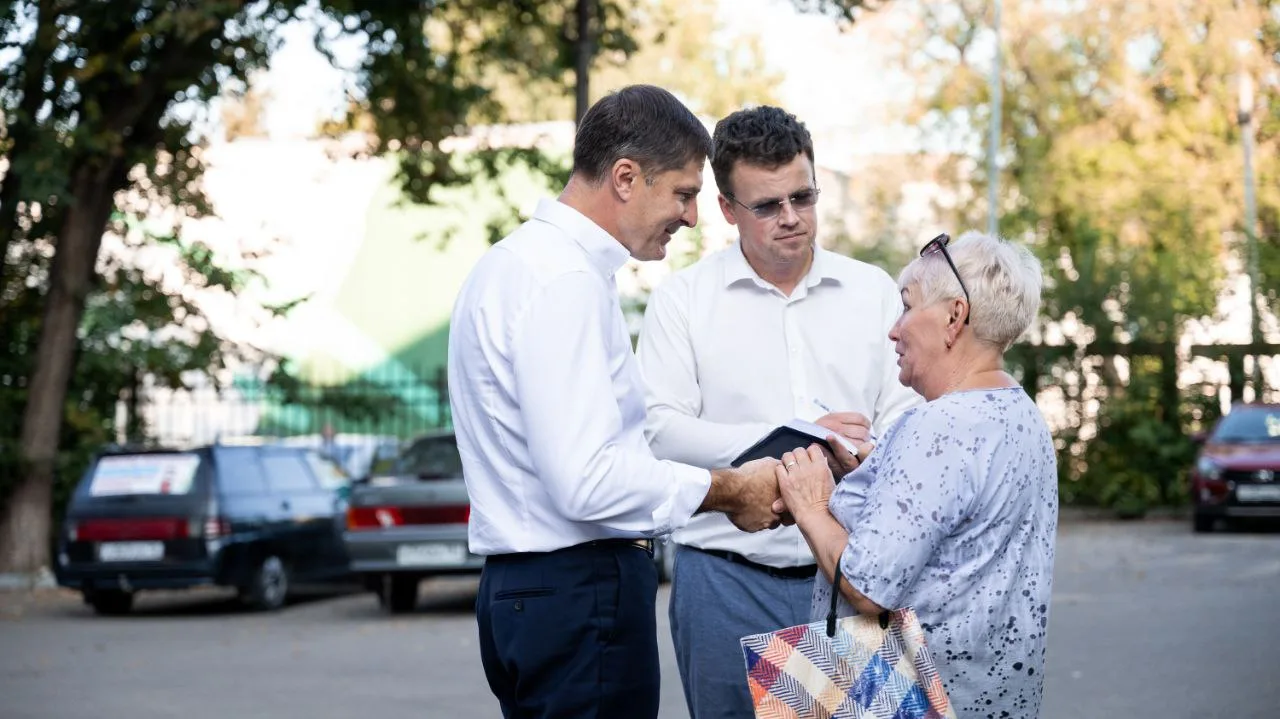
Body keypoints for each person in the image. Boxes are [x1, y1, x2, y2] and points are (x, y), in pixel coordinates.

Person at [447, 85, 785, 719]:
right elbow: (587, 481)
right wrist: (728, 490)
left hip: (532, 594)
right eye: (684, 194)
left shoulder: (510, 265)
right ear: (626, 177)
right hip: (578, 594)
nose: (691, 217)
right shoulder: (564, 282)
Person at [635, 105, 921, 719]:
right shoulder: (683, 301)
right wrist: (793, 442)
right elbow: (659, 431)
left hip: (855, 579)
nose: (791, 218)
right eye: (767, 205)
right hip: (724, 582)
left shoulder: (873, 291)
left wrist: (861, 452)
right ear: (726, 209)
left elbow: (907, 417)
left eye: (803, 196)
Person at [775, 231, 1058, 718]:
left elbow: (867, 587)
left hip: (912, 699)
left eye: (906, 307)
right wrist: (875, 479)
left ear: (954, 316)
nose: (894, 330)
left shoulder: (939, 425)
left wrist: (811, 504)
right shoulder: (1018, 411)